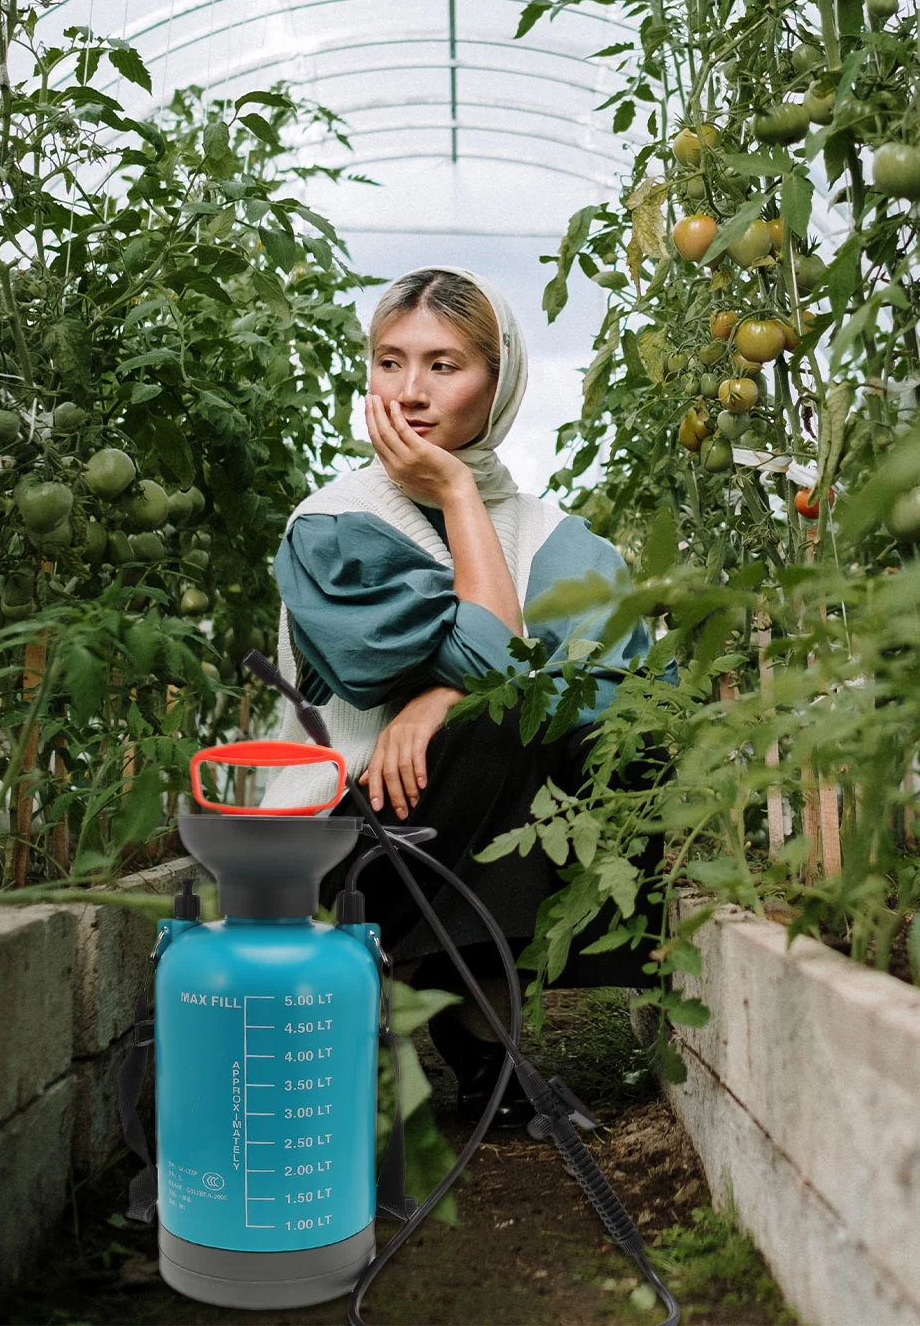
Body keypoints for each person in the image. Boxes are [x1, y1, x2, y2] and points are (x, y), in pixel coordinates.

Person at [261, 266, 661, 1124]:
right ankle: (363, 1010)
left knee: (586, 743)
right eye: (389, 361)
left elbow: (623, 696)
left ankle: (487, 1048)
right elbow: (495, 672)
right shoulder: (334, 527)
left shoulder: (562, 540)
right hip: (339, 839)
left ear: (500, 378)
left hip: (465, 821)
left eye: (444, 366)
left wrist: (439, 698)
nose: (408, 394)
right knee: (500, 724)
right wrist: (451, 490)